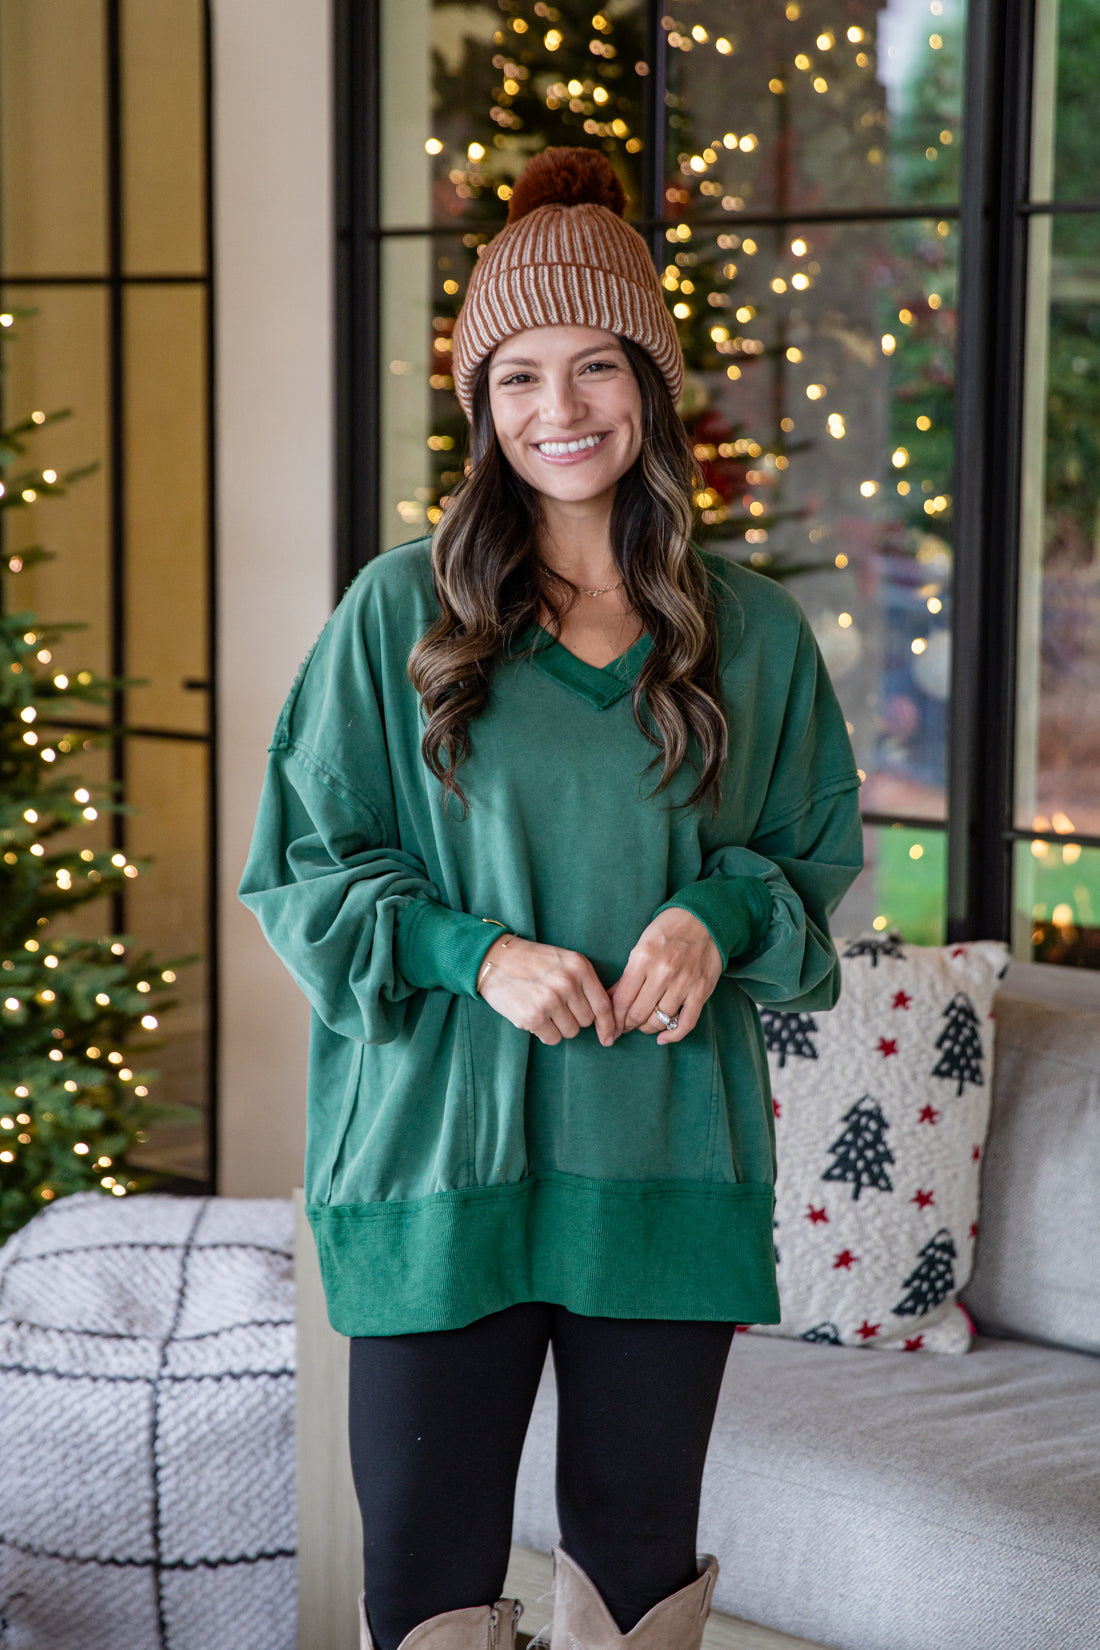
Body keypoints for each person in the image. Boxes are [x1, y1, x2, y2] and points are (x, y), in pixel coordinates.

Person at [240, 146, 863, 1650]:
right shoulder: (400, 611)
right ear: (482, 406)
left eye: (596, 365)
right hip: (434, 1160)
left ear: (648, 385)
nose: (559, 407)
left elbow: (808, 859)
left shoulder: (755, 635)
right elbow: (307, 866)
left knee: (639, 1568)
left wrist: (716, 918)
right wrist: (477, 953)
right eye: (518, 375)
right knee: (427, 1575)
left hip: (664, 1155)